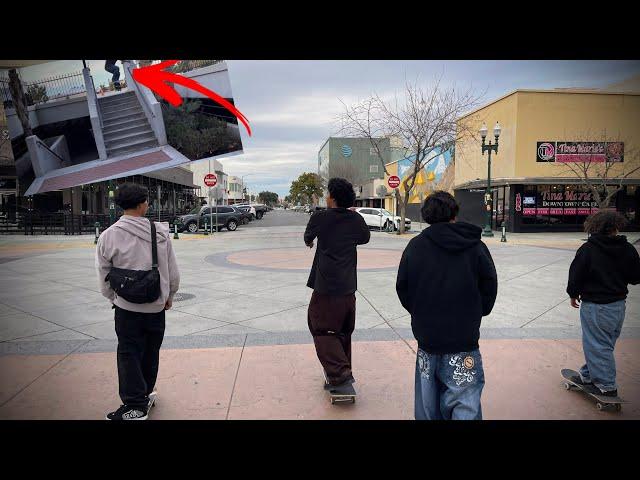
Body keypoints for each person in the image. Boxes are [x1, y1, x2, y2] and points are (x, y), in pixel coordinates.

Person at [396, 191, 497, 420]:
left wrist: (421, 311)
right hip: (464, 337)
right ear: (454, 213)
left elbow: (403, 287)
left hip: (428, 336)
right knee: (465, 400)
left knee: (428, 403)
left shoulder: (415, 246)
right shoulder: (475, 246)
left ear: (426, 215)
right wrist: (475, 312)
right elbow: (489, 285)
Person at [96, 183, 180, 420]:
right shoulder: (160, 232)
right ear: (143, 204)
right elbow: (173, 274)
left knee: (128, 353)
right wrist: (169, 296)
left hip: (125, 309)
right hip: (156, 307)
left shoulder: (107, 236)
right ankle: (143, 394)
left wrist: (115, 298)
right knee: (151, 351)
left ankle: (135, 405)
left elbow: (103, 278)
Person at [304, 177, 370, 390]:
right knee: (342, 331)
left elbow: (308, 237)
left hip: (325, 288)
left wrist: (312, 240)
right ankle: (341, 371)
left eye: (328, 194)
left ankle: (340, 373)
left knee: (320, 328)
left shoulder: (320, 217)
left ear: (332, 198)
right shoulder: (355, 219)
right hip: (348, 288)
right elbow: (364, 238)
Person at [567, 210, 640, 398]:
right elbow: (635, 277)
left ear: (594, 226)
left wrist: (573, 294)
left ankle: (607, 386)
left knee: (597, 345)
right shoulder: (627, 249)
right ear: (616, 226)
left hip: (595, 305)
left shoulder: (588, 249)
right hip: (618, 305)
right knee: (603, 344)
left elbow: (576, 274)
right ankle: (588, 375)